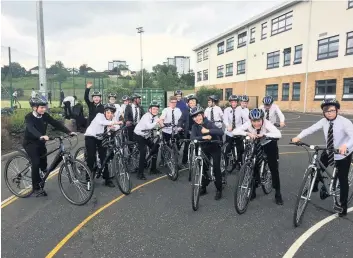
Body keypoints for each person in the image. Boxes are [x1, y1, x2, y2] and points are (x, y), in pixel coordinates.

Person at [291, 99, 353, 217]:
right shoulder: (323, 121)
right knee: (318, 168)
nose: (329, 113)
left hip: (343, 153)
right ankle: (314, 185)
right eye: (326, 111)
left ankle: (343, 206)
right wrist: (298, 137)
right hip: (329, 150)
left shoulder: (345, 122)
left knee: (343, 179)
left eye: (331, 110)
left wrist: (346, 145)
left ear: (337, 110)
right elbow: (311, 129)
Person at [23, 97, 76, 195]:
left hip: (41, 142)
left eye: (45, 107)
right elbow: (30, 128)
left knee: (44, 164)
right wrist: (40, 136)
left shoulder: (45, 116)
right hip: (30, 143)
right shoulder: (29, 117)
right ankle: (36, 188)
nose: (44, 109)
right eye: (42, 107)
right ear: (35, 108)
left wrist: (68, 132)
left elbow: (55, 123)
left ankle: (42, 174)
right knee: (36, 162)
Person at [233, 108, 283, 205]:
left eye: (259, 121)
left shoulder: (267, 123)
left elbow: (278, 134)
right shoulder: (248, 124)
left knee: (273, 168)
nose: (256, 124)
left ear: (262, 119)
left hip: (269, 143)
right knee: (253, 164)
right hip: (256, 142)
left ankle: (278, 193)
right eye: (254, 121)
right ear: (250, 120)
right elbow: (235, 131)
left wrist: (265, 134)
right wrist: (247, 133)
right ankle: (253, 190)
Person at [84, 103, 123, 187]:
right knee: (91, 157)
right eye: (108, 112)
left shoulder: (110, 121)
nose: (110, 114)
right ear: (104, 112)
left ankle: (107, 179)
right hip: (91, 137)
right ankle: (88, 179)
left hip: (101, 138)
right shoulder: (99, 116)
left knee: (104, 158)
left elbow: (115, 127)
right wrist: (115, 122)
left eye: (112, 113)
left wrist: (119, 126)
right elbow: (102, 122)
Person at [190, 106, 224, 200]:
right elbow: (192, 137)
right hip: (204, 148)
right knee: (203, 168)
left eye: (199, 115)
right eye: (194, 117)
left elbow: (221, 132)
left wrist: (208, 131)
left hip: (214, 147)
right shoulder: (194, 126)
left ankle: (219, 189)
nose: (197, 118)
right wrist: (203, 137)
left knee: (216, 168)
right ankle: (204, 187)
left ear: (203, 115)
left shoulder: (209, 123)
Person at [133, 101, 162, 180]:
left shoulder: (155, 117)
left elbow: (161, 124)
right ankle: (140, 173)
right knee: (143, 150)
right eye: (154, 109)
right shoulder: (146, 116)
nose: (155, 110)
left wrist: (164, 125)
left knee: (155, 147)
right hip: (138, 135)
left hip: (146, 136)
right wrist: (157, 121)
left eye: (157, 109)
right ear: (150, 110)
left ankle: (153, 169)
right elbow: (149, 126)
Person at [159, 96, 183, 166]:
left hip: (175, 130)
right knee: (165, 146)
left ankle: (175, 162)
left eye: (175, 102)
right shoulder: (165, 110)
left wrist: (180, 126)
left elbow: (181, 119)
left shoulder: (178, 110)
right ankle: (163, 160)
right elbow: (161, 119)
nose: (174, 104)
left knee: (176, 146)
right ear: (169, 103)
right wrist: (162, 124)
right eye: (172, 102)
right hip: (166, 131)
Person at [223, 95, 242, 170]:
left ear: (237, 102)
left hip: (238, 132)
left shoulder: (240, 109)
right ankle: (226, 163)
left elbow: (245, 119)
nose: (233, 103)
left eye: (235, 102)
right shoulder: (227, 110)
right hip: (229, 132)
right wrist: (228, 126)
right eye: (232, 102)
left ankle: (239, 163)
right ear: (230, 102)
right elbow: (225, 119)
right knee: (227, 148)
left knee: (240, 149)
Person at [178, 94, 198, 165]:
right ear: (188, 103)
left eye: (194, 102)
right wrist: (179, 126)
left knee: (198, 147)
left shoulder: (199, 110)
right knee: (186, 148)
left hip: (197, 132)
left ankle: (198, 162)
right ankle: (184, 162)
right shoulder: (185, 110)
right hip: (188, 132)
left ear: (196, 103)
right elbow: (181, 119)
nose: (192, 103)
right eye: (190, 102)